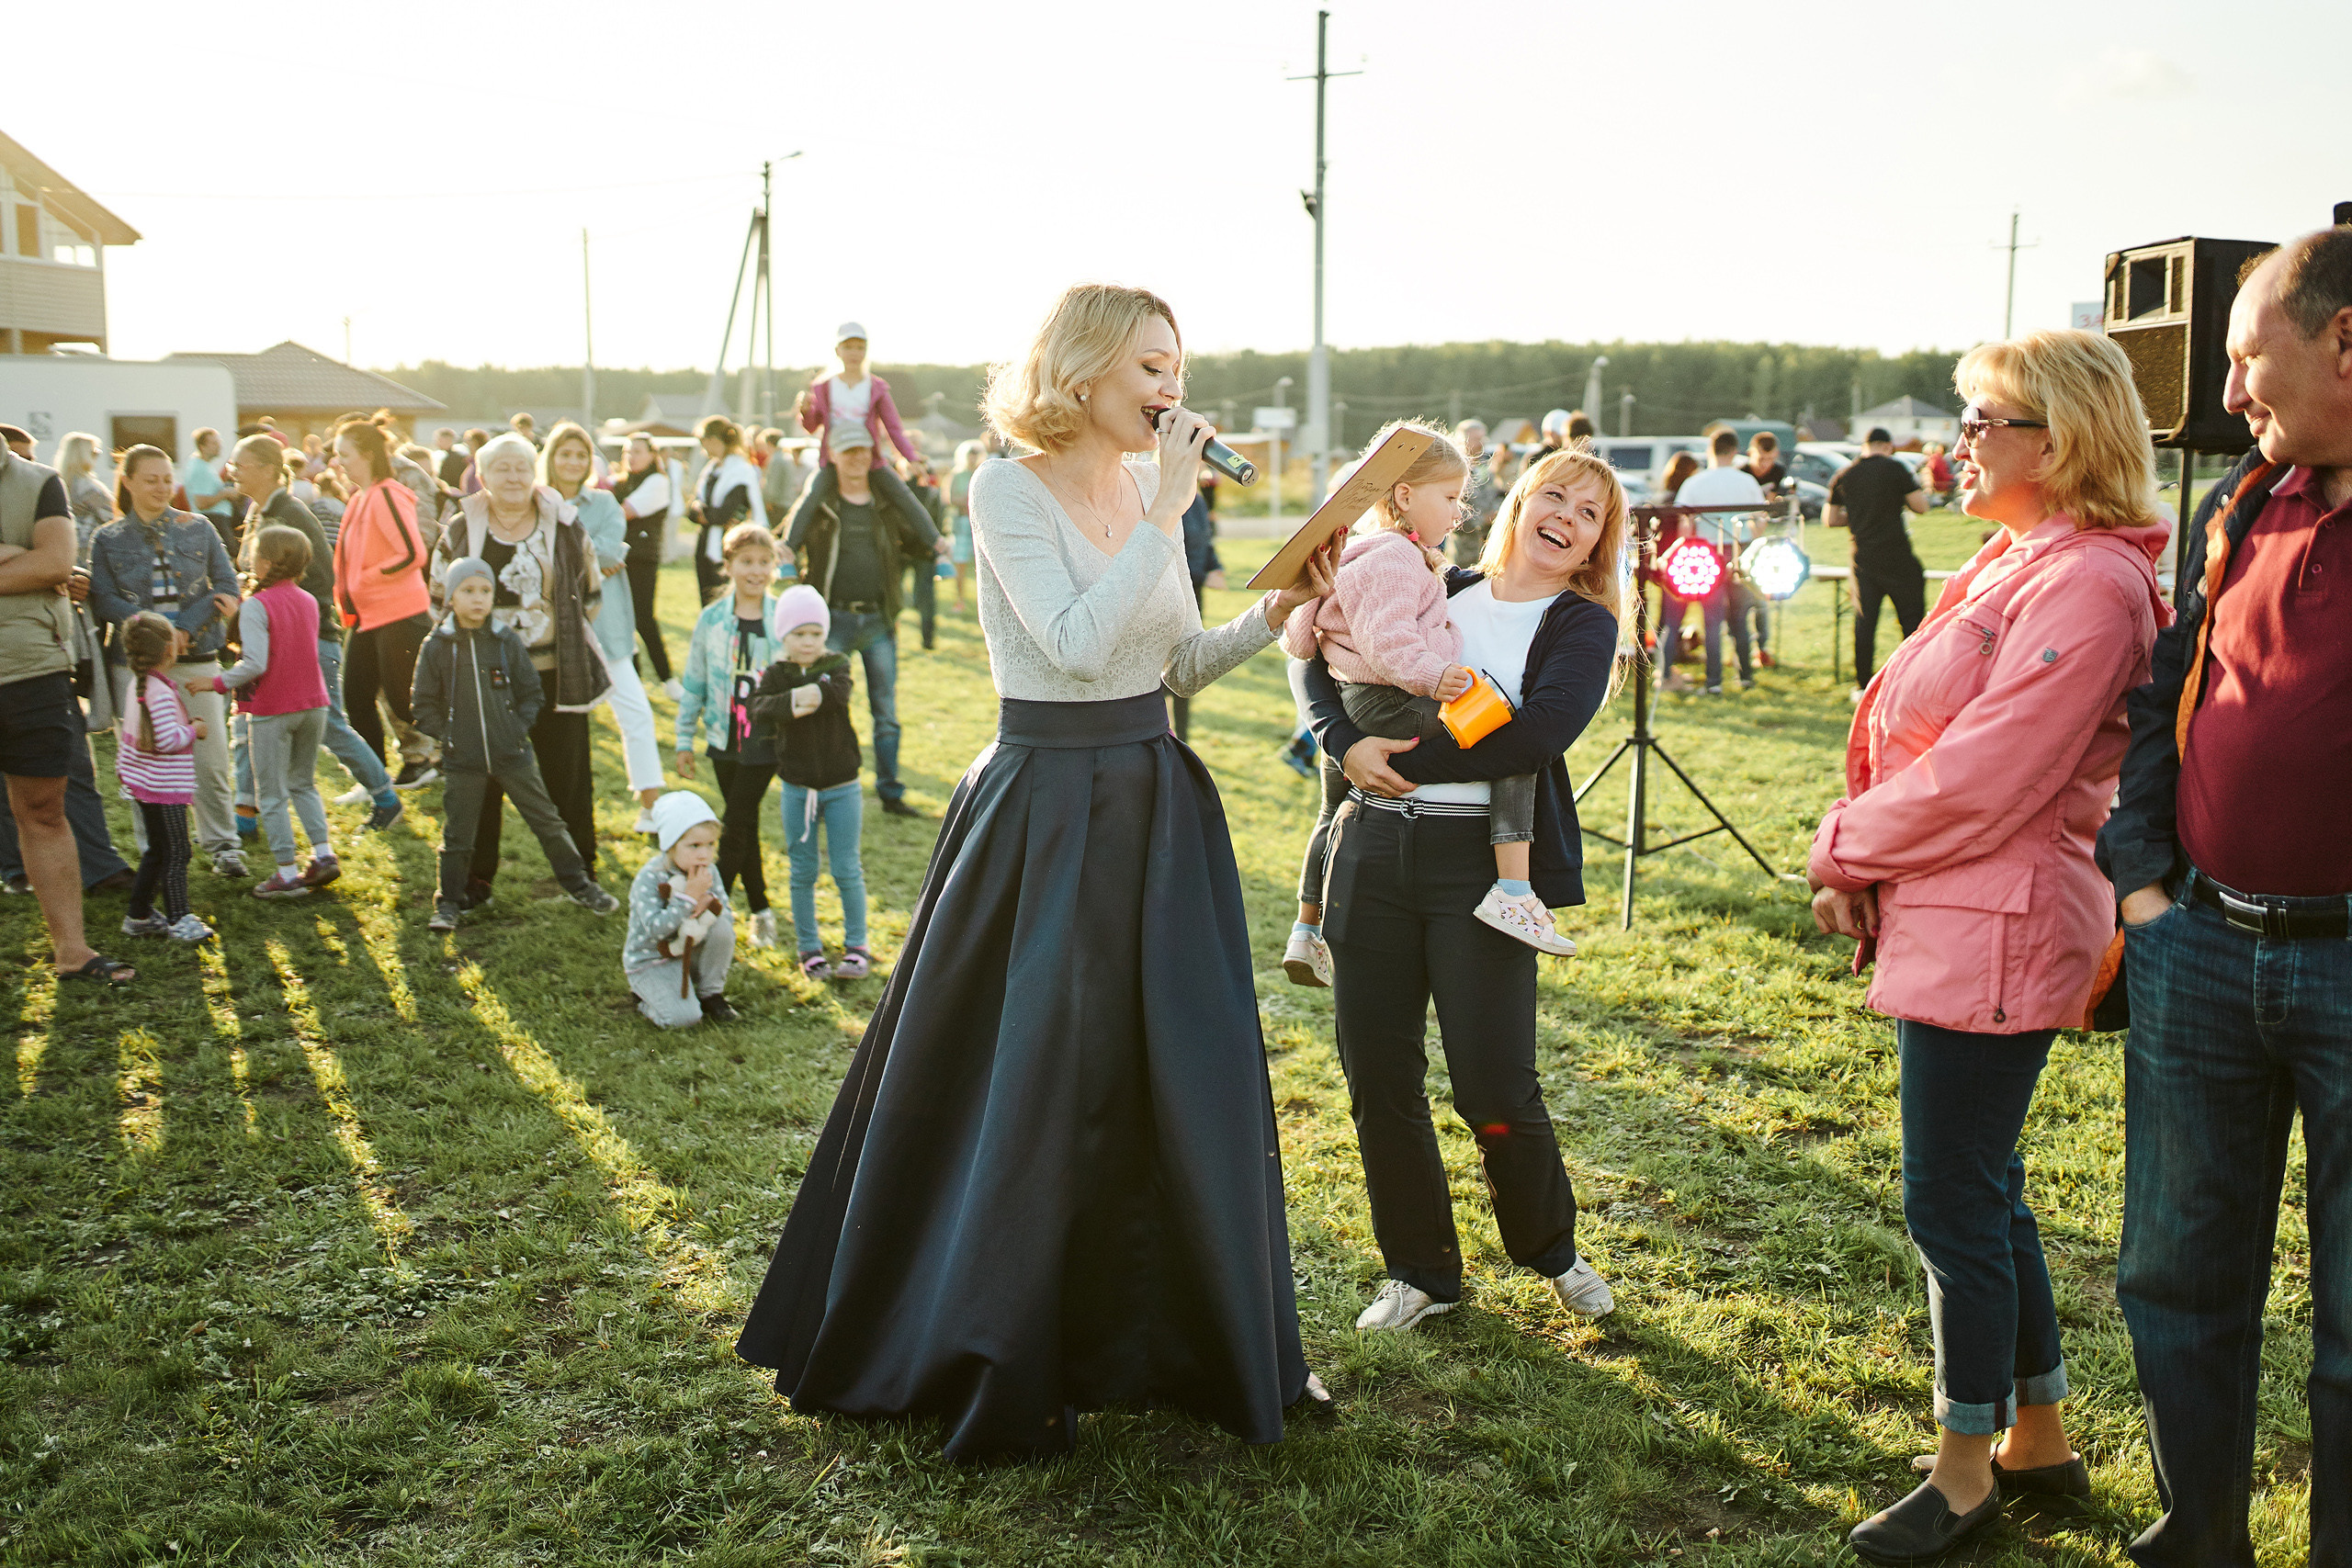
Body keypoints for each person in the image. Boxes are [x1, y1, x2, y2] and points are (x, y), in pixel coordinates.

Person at [737, 282, 1338, 1460]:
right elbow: (1067, 644)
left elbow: (1168, 667)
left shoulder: (1138, 489)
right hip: (1044, 808)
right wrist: (1167, 512)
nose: (1175, 390)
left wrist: (1276, 612)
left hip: (1156, 802)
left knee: (1174, 1076)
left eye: (1179, 367)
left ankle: (1179, 1343)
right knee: (1030, 1081)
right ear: (1083, 371)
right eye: (1154, 367)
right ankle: (994, 1339)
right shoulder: (1003, 485)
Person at [1808, 330, 2172, 1564]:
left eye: (1979, 421)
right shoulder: (2020, 560)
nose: (1951, 444)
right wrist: (1873, 855)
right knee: (1985, 1181)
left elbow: (1989, 769)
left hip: (2003, 916)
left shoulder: (2088, 583)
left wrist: (1847, 844)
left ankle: (1966, 1469)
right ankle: (2037, 1435)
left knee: (1951, 1194)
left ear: (2057, 437)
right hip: (1964, 903)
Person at [2097, 227, 2352, 1568]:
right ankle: (2202, 1531)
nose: (2230, 388)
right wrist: (2143, 884)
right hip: (2200, 948)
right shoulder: (2245, 499)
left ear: (2347, 339)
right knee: (2175, 1274)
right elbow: (2163, 697)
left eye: (2248, 355)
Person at [1304, 440, 1630, 1337]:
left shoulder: (1581, 623)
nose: (1565, 518)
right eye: (1553, 497)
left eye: (1589, 511)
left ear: (1600, 538)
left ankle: (1550, 1249)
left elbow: (1535, 738)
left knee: (1491, 1085)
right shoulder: (1429, 579)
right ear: (1517, 503)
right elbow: (1327, 656)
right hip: (1368, 851)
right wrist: (1342, 745)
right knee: (1378, 1075)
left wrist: (1398, 758)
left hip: (1480, 868)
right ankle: (1420, 1272)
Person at [1280, 420, 1571, 957]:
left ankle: (1307, 927)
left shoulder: (1368, 552)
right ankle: (1513, 890)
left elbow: (1306, 637)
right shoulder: (1391, 559)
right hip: (1391, 699)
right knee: (1508, 736)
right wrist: (1434, 677)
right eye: (1451, 497)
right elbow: (1387, 639)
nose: (1458, 512)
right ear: (1406, 494)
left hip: (1356, 701)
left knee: (1332, 806)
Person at [428, 432, 609, 905]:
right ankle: (474, 880)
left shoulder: (565, 525)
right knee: (479, 776)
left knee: (565, 774)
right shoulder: (461, 529)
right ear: (482, 476)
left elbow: (590, 592)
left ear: (535, 474)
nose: (513, 476)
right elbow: (437, 595)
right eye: (502, 468)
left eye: (522, 467)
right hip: (482, 672)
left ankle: (580, 873)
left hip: (553, 672)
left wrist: (554, 637)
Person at [411, 557, 618, 931]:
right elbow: (421, 702)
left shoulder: (506, 641)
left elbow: (531, 693)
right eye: (468, 591)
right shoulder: (437, 646)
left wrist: (515, 728)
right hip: (464, 760)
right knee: (458, 835)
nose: (478, 599)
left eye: (486, 591)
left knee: (548, 822)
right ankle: (448, 903)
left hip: (512, 754)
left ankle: (580, 885)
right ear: (451, 597)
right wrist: (449, 736)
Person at [0, 433, 132, 982]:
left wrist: (39, 563)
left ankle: (73, 953)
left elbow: (56, 562)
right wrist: (17, 562)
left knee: (43, 810)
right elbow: (37, 566)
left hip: (32, 672)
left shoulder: (37, 481)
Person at [226, 434, 401, 831]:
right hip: (266, 639)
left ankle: (386, 798)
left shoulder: (291, 514)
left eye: (240, 463)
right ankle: (246, 816)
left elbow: (320, 579)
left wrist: (270, 608)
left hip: (308, 639)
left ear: (269, 469)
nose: (231, 470)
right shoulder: (258, 511)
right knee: (245, 718)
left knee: (329, 726)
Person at [88, 444, 247, 877]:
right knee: (145, 757)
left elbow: (226, 583)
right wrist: (152, 629)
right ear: (128, 482)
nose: (161, 488)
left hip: (196, 656)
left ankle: (222, 844)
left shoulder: (199, 527)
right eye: (150, 479)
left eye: (166, 479)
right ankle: (153, 850)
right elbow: (101, 597)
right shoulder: (107, 538)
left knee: (210, 756)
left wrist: (184, 630)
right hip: (136, 664)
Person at [784, 427, 942, 818]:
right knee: (826, 706)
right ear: (834, 455)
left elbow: (917, 534)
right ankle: (823, 792)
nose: (856, 459)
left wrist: (936, 541)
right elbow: (789, 532)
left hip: (877, 619)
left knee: (885, 711)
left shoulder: (885, 503)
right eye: (848, 452)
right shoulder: (822, 502)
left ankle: (890, 793)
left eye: (863, 452)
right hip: (831, 620)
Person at [203, 525, 337, 900]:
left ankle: (287, 873)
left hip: (274, 708)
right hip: (314, 704)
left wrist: (216, 682)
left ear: (263, 561)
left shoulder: (258, 606)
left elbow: (255, 663)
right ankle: (324, 855)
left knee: (273, 794)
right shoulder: (309, 601)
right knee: (303, 783)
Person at [541, 423, 665, 830]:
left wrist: (563, 557)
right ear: (551, 458)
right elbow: (596, 557)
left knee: (636, 712)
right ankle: (550, 813)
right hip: (548, 632)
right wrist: (591, 557)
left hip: (605, 627)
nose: (573, 462)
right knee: (556, 727)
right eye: (565, 454)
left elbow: (610, 549)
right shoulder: (536, 502)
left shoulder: (606, 503)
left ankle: (651, 805)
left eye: (581, 454)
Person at [749, 583, 869, 980]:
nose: (808, 642)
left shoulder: (837, 663)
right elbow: (759, 707)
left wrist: (801, 701)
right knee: (802, 871)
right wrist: (800, 701)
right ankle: (809, 948)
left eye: (815, 634)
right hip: (797, 789)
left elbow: (838, 695)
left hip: (842, 786)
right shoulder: (775, 674)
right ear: (783, 636)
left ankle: (857, 947)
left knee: (847, 868)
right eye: (799, 634)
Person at [673, 522, 784, 948]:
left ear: (774, 566)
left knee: (735, 824)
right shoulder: (712, 620)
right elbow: (695, 682)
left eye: (764, 562)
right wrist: (684, 738)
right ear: (729, 566)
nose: (755, 571)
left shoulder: (781, 618)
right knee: (745, 824)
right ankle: (761, 911)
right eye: (746, 562)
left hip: (766, 742)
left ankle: (708, 910)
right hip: (723, 741)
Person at [330, 417, 440, 789]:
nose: (338, 462)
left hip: (399, 614)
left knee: (404, 701)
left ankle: (440, 759)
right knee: (356, 697)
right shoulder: (361, 497)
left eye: (344, 454)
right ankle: (374, 781)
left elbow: (412, 552)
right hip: (366, 617)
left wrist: (366, 579)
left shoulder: (388, 494)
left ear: (366, 454)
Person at [114, 612, 212, 942]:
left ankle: (139, 915)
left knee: (157, 850)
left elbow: (142, 736)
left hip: (145, 784)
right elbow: (168, 740)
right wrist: (194, 730)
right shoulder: (159, 692)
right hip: (165, 788)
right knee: (177, 852)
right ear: (170, 649)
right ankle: (179, 918)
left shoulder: (140, 686)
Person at [1827, 426, 1930, 696]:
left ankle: (1862, 685)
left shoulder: (1845, 474)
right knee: (1911, 621)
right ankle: (1914, 681)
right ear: (1887, 446)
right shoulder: (1896, 468)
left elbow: (1831, 519)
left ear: (1865, 446)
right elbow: (1920, 506)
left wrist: (1861, 517)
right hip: (1897, 556)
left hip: (1863, 559)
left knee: (1865, 622)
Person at [623, 791, 737, 1028]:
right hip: (653, 960)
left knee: (723, 927)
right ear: (671, 845)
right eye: (694, 845)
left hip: (687, 951)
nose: (704, 854)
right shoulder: (651, 877)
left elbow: (723, 912)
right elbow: (656, 930)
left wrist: (707, 908)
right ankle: (645, 997)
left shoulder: (708, 870)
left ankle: (710, 994)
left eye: (710, 844)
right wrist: (688, 898)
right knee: (684, 1018)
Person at [1667, 429, 1766, 694]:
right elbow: (1761, 520)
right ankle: (1745, 676)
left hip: (1706, 553)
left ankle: (1714, 683)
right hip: (1741, 551)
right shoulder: (1747, 482)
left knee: (1711, 620)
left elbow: (1684, 524)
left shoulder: (1695, 483)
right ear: (1735, 451)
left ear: (1710, 451)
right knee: (1740, 618)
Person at [795, 322, 921, 469]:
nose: (854, 353)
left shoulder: (877, 388)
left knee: (900, 493)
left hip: (868, 460)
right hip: (834, 460)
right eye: (848, 347)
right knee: (813, 493)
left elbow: (893, 429)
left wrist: (912, 459)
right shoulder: (823, 387)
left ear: (866, 351)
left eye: (860, 347)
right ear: (837, 350)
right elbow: (811, 426)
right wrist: (804, 411)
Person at [614, 434, 677, 693]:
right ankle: (634, 680)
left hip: (642, 559)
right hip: (619, 559)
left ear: (652, 454)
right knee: (622, 621)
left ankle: (667, 679)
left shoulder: (658, 482)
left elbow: (622, 513)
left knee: (643, 619)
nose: (632, 456)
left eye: (638, 451)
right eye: (628, 451)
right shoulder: (622, 482)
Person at [1168, 470, 1227, 743]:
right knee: (1164, 676)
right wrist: (1204, 575)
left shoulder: (1198, 499)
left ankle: (1183, 740)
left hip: (1195, 596)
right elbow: (1171, 556)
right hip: (1171, 599)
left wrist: (1216, 566)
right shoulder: (1164, 497)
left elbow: (1205, 541)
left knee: (1187, 671)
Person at [689, 416, 764, 604]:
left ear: (713, 440)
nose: (702, 447)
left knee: (726, 602)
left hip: (728, 546)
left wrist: (704, 514)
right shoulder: (711, 469)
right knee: (707, 603)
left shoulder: (740, 470)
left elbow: (723, 515)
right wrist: (703, 514)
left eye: (703, 442)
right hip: (706, 544)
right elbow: (691, 508)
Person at [181, 428, 239, 553]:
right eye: (214, 443)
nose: (219, 446)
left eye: (219, 442)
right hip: (213, 520)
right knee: (228, 555)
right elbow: (201, 503)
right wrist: (226, 493)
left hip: (216, 520)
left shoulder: (204, 465)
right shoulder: (199, 468)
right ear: (202, 446)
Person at [944, 438, 984, 613]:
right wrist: (971, 501)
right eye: (970, 455)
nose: (973, 458)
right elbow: (952, 498)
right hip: (961, 523)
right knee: (960, 562)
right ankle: (959, 599)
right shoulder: (956, 474)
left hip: (980, 523)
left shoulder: (981, 472)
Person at [760, 428, 806, 523]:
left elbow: (772, 488)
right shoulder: (788, 457)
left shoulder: (776, 460)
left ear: (769, 444)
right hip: (787, 503)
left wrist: (766, 500)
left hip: (777, 506)